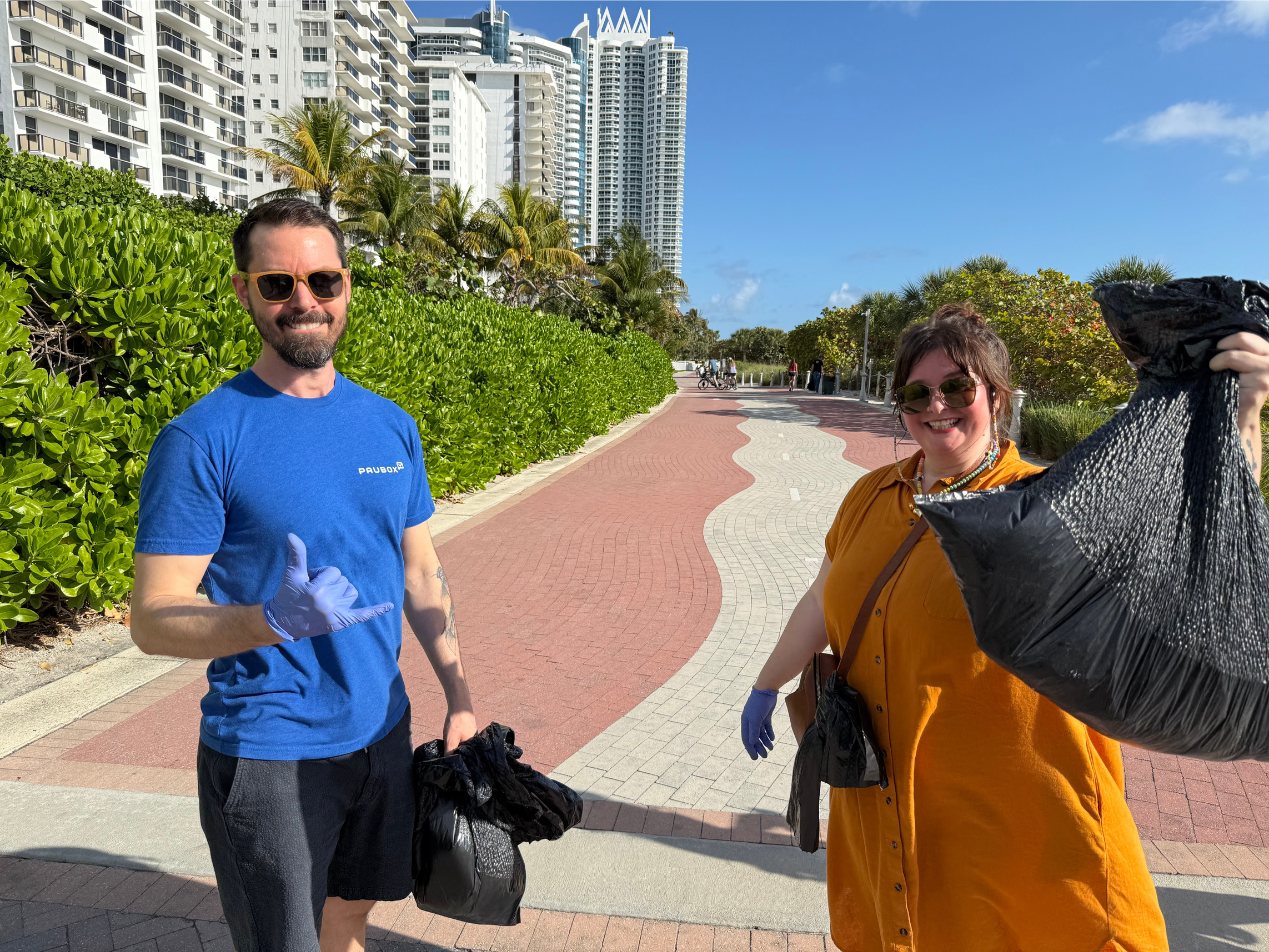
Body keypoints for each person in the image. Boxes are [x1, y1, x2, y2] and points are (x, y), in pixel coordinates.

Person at [738, 300, 1269, 951]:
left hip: (1029, 848)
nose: (936, 406)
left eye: (957, 387)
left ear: (996, 395)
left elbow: (1205, 547)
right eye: (915, 391)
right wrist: (767, 685)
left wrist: (1243, 409)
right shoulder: (869, 497)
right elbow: (823, 595)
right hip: (890, 829)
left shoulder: (1049, 508)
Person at [131, 198, 479, 952]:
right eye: (277, 285)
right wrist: (267, 621)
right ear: (242, 291)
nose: (304, 302)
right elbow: (152, 618)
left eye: (322, 280)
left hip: (383, 729)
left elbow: (420, 571)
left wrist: (458, 696)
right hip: (269, 748)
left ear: (348, 285)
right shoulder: (201, 438)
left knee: (349, 920)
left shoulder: (390, 424)